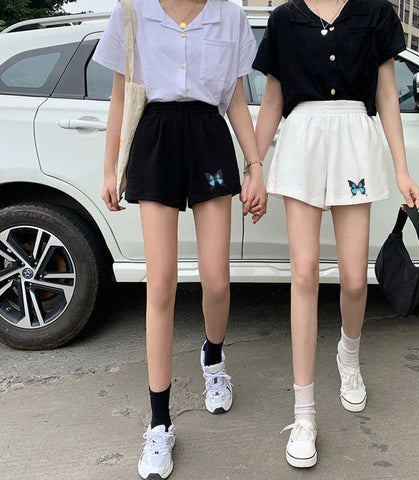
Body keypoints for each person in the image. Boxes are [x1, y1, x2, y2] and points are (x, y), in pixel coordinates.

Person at [93, 0, 267, 478]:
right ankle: (159, 422)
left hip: (209, 138)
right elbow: (121, 95)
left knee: (217, 279)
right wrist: (110, 167)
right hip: (155, 139)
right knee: (161, 284)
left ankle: (213, 356)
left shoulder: (229, 16)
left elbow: (235, 99)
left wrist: (254, 165)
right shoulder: (132, 10)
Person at [252, 0, 419, 468]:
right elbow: (273, 99)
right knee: (304, 274)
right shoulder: (285, 18)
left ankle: (349, 353)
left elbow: (386, 94)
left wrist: (402, 169)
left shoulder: (375, 13)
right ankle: (303, 415)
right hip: (302, 140)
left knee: (353, 279)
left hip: (354, 139)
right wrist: (254, 165)